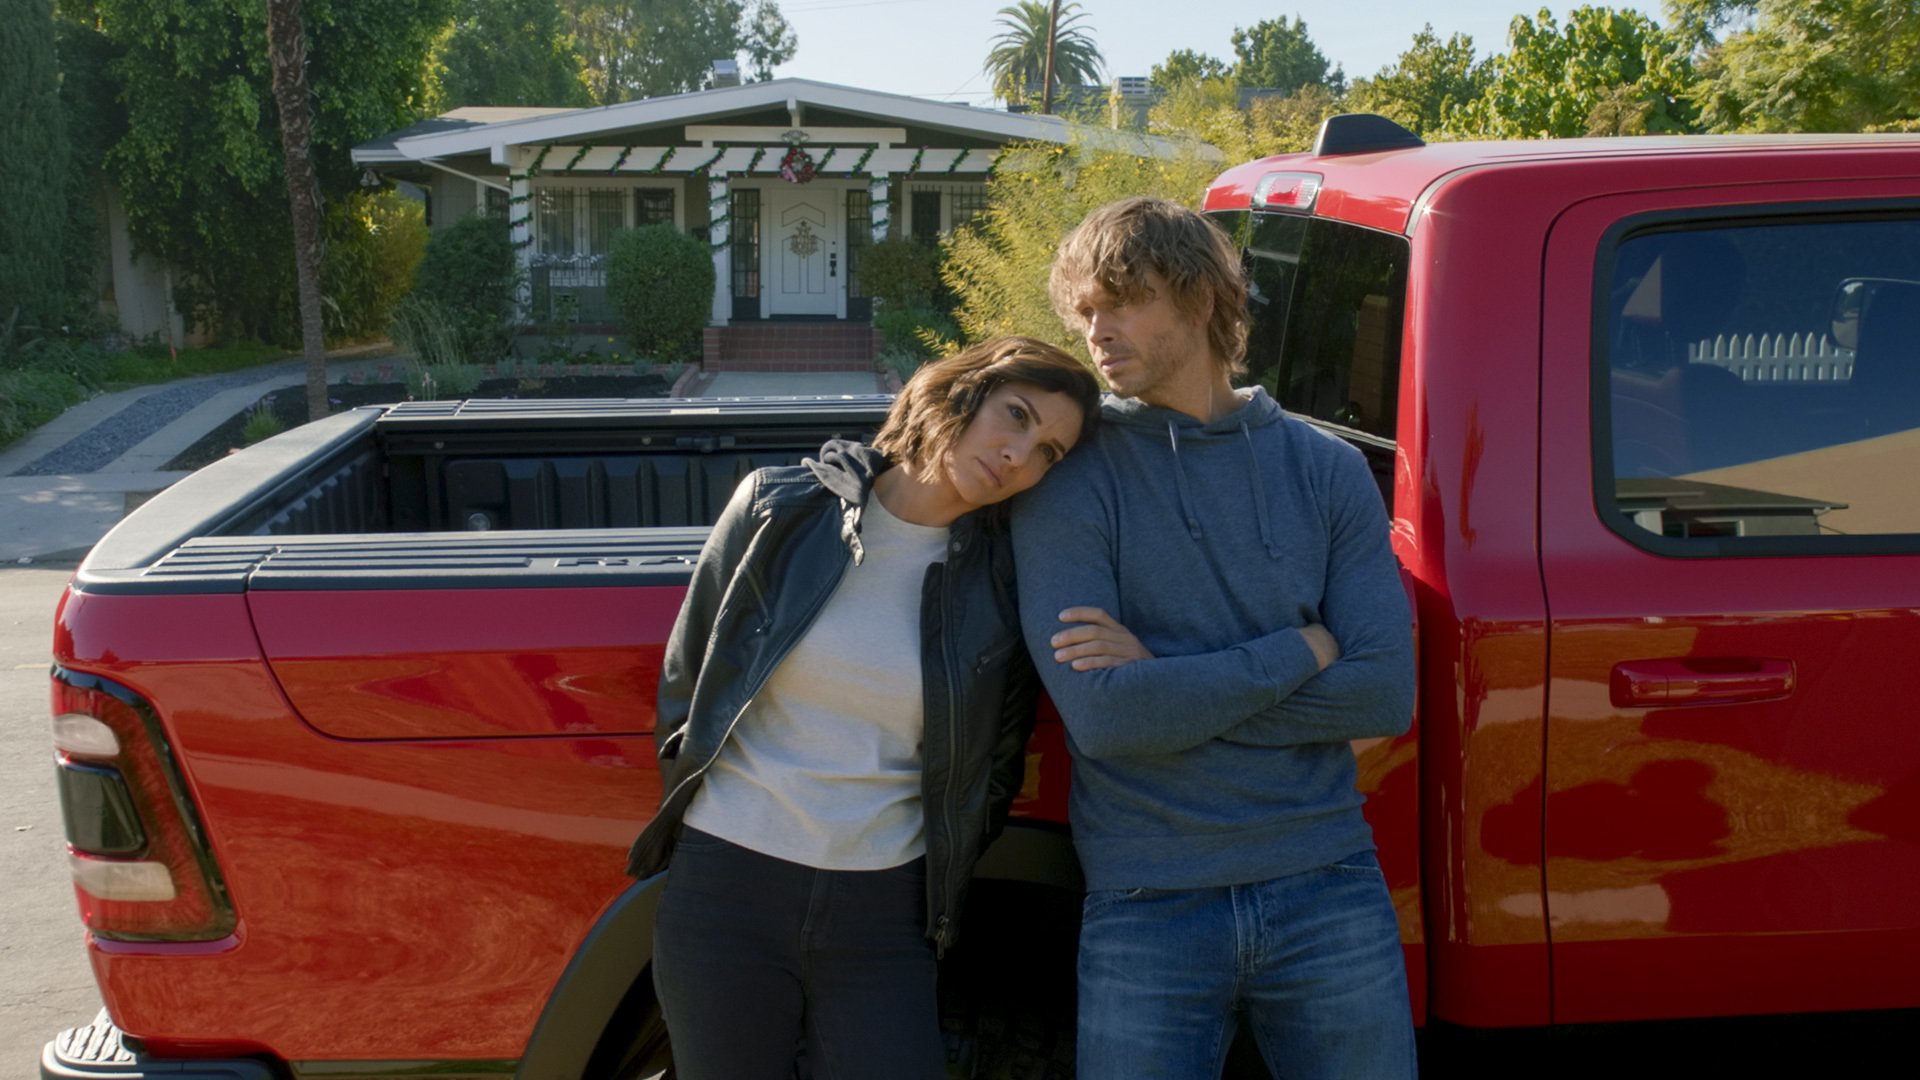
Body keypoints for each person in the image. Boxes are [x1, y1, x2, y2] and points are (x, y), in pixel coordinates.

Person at [1010, 196, 1417, 1078]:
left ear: (1199, 299)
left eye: (1122, 298)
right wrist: (1298, 652)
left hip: (1328, 885)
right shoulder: (1068, 479)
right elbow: (1110, 719)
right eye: (1084, 310)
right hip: (1147, 899)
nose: (1096, 328)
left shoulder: (1326, 469)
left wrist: (1166, 678)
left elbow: (1385, 691)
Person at [626, 336, 1100, 1080]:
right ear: (960, 391)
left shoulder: (1003, 587)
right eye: (1015, 416)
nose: (1019, 454)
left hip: (883, 909)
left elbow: (995, 771)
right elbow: (689, 683)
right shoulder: (775, 510)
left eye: (1048, 451)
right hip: (728, 892)